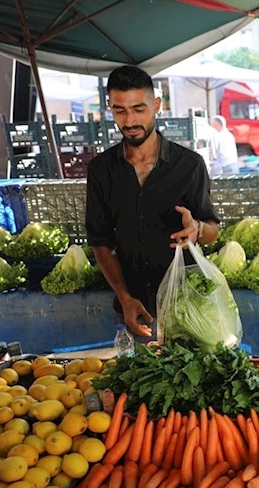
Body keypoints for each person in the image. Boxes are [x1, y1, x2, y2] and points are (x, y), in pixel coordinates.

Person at [86, 66, 221, 338]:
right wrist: (124, 297)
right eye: (120, 111)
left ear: (156, 105)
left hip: (186, 308)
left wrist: (197, 229)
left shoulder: (189, 165)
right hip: (134, 309)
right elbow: (100, 242)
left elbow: (213, 230)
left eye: (139, 109)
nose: (130, 121)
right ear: (110, 108)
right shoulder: (101, 170)